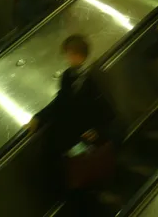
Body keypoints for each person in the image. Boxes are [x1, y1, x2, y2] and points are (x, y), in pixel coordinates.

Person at [26, 35, 114, 209]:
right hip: (66, 133)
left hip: (84, 137)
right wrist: (38, 117)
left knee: (78, 161)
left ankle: (84, 199)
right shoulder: (68, 75)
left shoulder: (94, 78)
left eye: (68, 54)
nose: (67, 58)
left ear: (77, 54)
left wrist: (96, 131)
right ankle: (66, 199)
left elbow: (107, 110)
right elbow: (60, 101)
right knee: (58, 160)